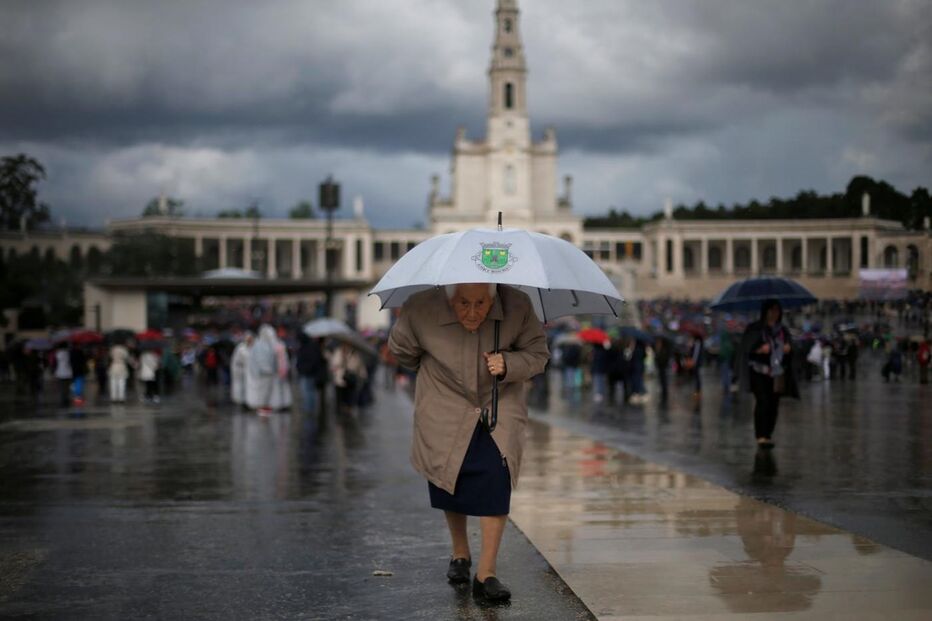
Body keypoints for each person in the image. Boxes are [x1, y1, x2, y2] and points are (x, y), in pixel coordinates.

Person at [389, 283, 549, 602]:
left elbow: (538, 355)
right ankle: (460, 552)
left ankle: (486, 573)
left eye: (481, 304)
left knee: (496, 480)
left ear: (493, 297)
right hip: (444, 406)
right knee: (451, 480)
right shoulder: (421, 307)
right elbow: (401, 351)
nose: (473, 312)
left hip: (497, 409)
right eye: (464, 303)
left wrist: (509, 364)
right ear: (450, 297)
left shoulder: (516, 305)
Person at [742, 299, 799, 448]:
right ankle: (760, 435)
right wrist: (759, 350)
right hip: (758, 371)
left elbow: (792, 348)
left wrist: (788, 348)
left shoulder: (782, 331)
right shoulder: (755, 329)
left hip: (777, 372)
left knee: (774, 403)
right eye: (771, 310)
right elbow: (746, 349)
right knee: (762, 401)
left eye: (777, 310)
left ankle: (767, 434)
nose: (774, 314)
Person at [247, 325, 292, 415]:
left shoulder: (271, 345)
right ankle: (264, 407)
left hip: (272, 373)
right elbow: (258, 360)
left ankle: (268, 406)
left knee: (269, 392)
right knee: (265, 392)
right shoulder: (261, 345)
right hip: (267, 373)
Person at [329, 341, 368, 414]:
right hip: (339, 378)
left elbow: (359, 365)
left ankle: (348, 411)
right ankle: (340, 412)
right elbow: (333, 364)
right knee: (339, 397)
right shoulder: (338, 352)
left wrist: (363, 374)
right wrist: (341, 362)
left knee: (350, 396)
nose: (347, 346)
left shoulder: (355, 353)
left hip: (351, 378)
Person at [295, 332, 326, 415]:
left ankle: (309, 410)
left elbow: (313, 361)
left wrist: (304, 369)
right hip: (309, 373)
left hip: (308, 373)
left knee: (308, 393)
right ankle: (309, 409)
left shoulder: (307, 347)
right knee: (309, 392)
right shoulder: (311, 346)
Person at [230, 332, 254, 406]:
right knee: (241, 387)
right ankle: (240, 401)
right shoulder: (240, 348)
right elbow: (236, 360)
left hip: (251, 371)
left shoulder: (254, 347)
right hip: (241, 370)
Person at [52, 342, 73, 407]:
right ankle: (66, 399)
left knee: (62, 388)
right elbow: (70, 362)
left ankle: (63, 400)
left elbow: (55, 363)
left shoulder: (57, 354)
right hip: (68, 372)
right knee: (67, 387)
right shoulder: (69, 353)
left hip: (60, 373)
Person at [652, 335, 671, 403]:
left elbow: (662, 359)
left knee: (663, 379)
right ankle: (663, 391)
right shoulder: (659, 348)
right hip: (660, 367)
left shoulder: (664, 349)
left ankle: (665, 392)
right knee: (661, 379)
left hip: (663, 367)